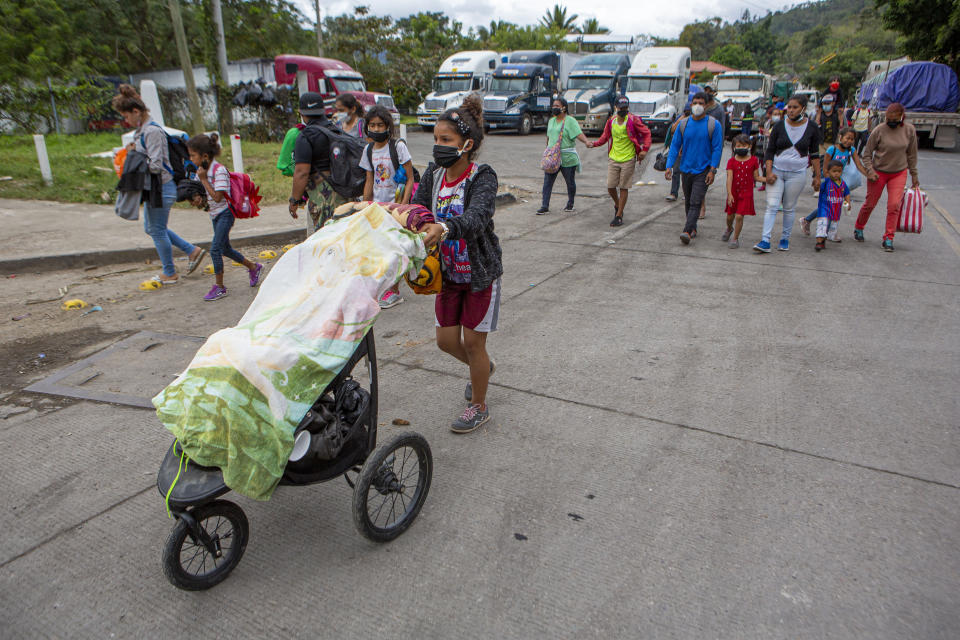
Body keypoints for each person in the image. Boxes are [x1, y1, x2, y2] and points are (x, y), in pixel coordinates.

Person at [413, 95, 502, 434]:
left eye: (445, 140)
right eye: (436, 139)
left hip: (479, 275)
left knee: (474, 343)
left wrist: (445, 228)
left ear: (467, 144)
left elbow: (478, 216)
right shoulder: (433, 175)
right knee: (446, 341)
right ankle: (483, 369)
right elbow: (418, 209)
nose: (438, 146)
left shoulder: (482, 176)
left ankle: (478, 405)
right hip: (447, 275)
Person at [111, 84, 206, 285]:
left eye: (126, 116)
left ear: (136, 112)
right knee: (153, 228)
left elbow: (156, 164)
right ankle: (192, 251)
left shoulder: (152, 132)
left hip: (162, 187)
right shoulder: (143, 131)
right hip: (157, 188)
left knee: (156, 229)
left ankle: (170, 272)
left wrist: (134, 161)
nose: (125, 121)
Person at [185, 134, 263, 301]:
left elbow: (219, 197)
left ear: (205, 156)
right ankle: (253, 267)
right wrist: (197, 199)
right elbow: (205, 197)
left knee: (215, 249)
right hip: (214, 214)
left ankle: (220, 287)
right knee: (224, 249)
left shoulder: (219, 171)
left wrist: (204, 180)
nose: (190, 159)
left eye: (193, 155)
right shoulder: (199, 172)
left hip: (225, 213)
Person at [359, 104, 416, 309]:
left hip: (396, 207)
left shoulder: (398, 147)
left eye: (380, 125)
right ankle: (382, 287)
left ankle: (394, 290)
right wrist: (365, 206)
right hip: (377, 207)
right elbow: (369, 180)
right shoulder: (368, 150)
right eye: (372, 125)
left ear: (387, 126)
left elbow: (410, 179)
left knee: (395, 249)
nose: (376, 129)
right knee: (379, 248)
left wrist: (402, 207)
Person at [753, 93, 822, 253]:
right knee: (772, 205)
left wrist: (817, 176)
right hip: (777, 171)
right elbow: (769, 152)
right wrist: (768, 172)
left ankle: (785, 238)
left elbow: (815, 154)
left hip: (797, 173)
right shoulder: (778, 126)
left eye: (795, 107)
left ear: (803, 108)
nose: (791, 110)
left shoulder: (811, 127)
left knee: (789, 207)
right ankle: (765, 239)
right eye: (789, 107)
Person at [853, 103, 920, 252]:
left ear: (902, 117)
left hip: (899, 172)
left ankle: (889, 238)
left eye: (894, 119)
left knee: (894, 205)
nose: (891, 122)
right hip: (879, 172)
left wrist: (914, 175)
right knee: (870, 203)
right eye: (888, 119)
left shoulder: (909, 130)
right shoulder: (879, 130)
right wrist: (870, 171)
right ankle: (859, 227)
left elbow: (912, 154)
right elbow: (867, 154)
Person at [664, 91, 723, 245]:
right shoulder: (684, 124)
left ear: (707, 105)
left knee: (696, 201)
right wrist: (669, 165)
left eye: (701, 103)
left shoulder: (713, 125)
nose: (697, 106)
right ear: (691, 105)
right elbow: (675, 146)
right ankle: (693, 227)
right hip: (686, 168)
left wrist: (712, 170)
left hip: (703, 170)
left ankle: (687, 231)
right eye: (695, 103)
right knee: (689, 201)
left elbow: (717, 148)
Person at [587, 95, 651, 226]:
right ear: (615, 107)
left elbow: (647, 133)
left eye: (626, 107)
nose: (623, 110)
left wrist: (645, 149)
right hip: (614, 158)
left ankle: (619, 215)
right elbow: (605, 137)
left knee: (623, 187)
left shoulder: (633, 120)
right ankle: (617, 204)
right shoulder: (611, 121)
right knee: (610, 186)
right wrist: (594, 144)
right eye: (621, 107)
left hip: (628, 159)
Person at [288, 91, 346, 234]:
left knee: (326, 240)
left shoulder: (305, 136)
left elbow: (302, 172)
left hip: (323, 196)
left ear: (301, 113)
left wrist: (294, 200)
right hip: (344, 191)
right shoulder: (337, 131)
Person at [801, 127, 866, 235]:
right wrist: (829, 184)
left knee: (833, 206)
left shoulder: (852, 150)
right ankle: (826, 232)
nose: (849, 141)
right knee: (830, 206)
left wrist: (869, 175)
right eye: (847, 138)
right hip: (829, 181)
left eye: (852, 139)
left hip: (838, 181)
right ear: (840, 137)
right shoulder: (832, 149)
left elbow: (859, 165)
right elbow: (825, 168)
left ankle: (809, 221)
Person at [538, 97, 589, 214]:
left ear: (564, 108)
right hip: (552, 158)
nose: (554, 108)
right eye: (553, 106)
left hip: (567, 158)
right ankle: (544, 206)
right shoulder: (551, 121)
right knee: (547, 182)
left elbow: (578, 134)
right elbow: (549, 137)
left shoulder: (570, 121)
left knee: (570, 182)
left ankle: (570, 204)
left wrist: (586, 141)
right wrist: (548, 152)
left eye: (557, 106)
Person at [724, 134, 761, 249]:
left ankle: (735, 238)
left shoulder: (754, 160)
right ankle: (730, 228)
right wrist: (729, 194)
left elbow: (757, 177)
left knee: (739, 216)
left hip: (746, 193)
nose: (741, 148)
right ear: (734, 147)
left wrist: (769, 179)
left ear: (750, 146)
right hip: (733, 193)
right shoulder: (731, 161)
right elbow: (729, 178)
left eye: (744, 145)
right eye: (738, 145)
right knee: (730, 216)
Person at [813, 160, 850, 252]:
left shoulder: (843, 183)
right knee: (822, 224)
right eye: (834, 171)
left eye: (839, 171)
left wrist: (848, 202)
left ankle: (823, 241)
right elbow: (818, 188)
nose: (836, 174)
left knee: (831, 227)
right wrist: (816, 186)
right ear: (828, 172)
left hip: (836, 210)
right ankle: (818, 242)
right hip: (824, 208)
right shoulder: (826, 182)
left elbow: (847, 193)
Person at [662, 106, 691, 202]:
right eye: (686, 112)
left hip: (689, 151)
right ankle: (674, 193)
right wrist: (680, 120)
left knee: (688, 174)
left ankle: (688, 193)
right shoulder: (681, 120)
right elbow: (672, 131)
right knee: (676, 171)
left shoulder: (695, 122)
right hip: (678, 150)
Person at [816, 94, 841, 162]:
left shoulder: (837, 114)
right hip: (822, 144)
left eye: (828, 103)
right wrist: (818, 114)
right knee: (822, 161)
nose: (826, 105)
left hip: (834, 143)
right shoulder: (820, 114)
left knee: (833, 162)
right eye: (824, 103)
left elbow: (842, 127)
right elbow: (816, 126)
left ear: (833, 103)